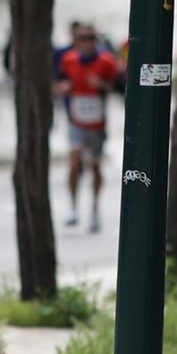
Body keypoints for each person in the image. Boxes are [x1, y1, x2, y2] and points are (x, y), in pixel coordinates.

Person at [54, 24, 121, 232]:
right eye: (83, 37)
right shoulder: (68, 60)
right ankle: (73, 208)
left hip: (97, 123)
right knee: (74, 164)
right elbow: (58, 84)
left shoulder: (107, 62)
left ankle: (94, 209)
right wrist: (63, 89)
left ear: (96, 41)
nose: (87, 42)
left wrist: (101, 85)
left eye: (91, 38)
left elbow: (118, 88)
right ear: (77, 40)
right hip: (76, 121)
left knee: (95, 166)